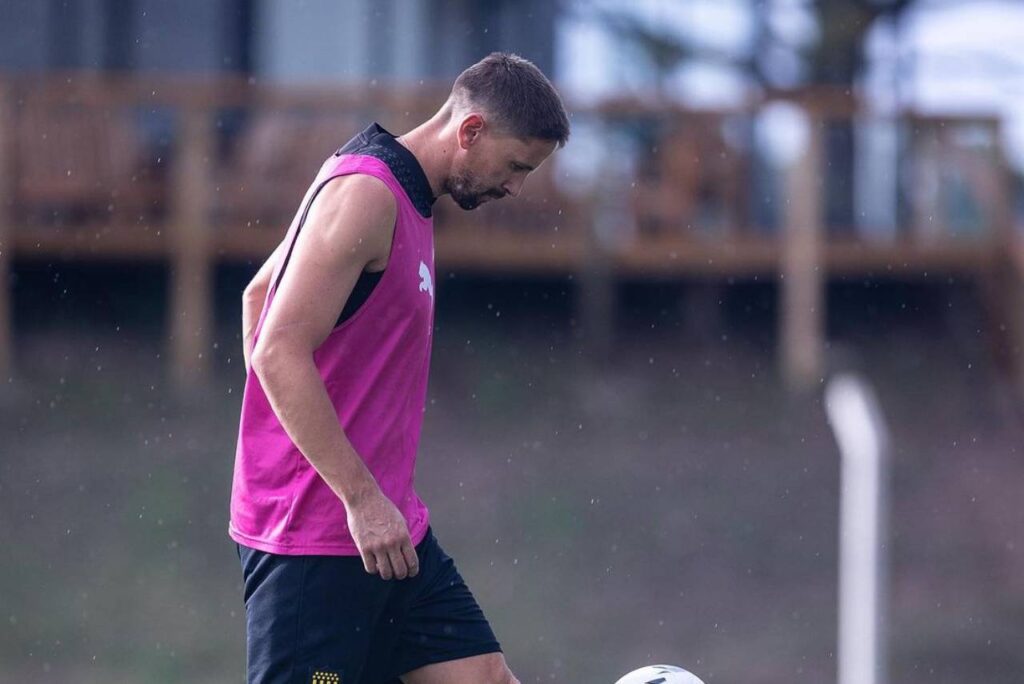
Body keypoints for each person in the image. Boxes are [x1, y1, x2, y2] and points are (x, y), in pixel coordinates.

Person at [229, 52, 570, 684]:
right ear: (470, 131)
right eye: (516, 166)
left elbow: (258, 296)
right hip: (318, 541)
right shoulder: (366, 194)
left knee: (487, 678)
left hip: (391, 535)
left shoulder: (402, 194)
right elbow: (276, 348)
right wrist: (344, 492)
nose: (516, 187)